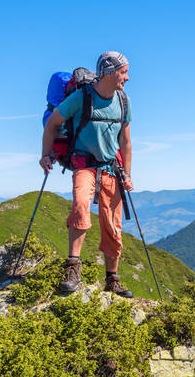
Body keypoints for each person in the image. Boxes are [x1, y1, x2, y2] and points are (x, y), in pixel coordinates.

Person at [40, 51, 134, 297]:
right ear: (109, 72)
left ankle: (112, 279)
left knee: (113, 225)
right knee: (81, 206)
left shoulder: (123, 101)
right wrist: (45, 154)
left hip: (111, 168)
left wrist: (127, 173)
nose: (127, 77)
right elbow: (52, 124)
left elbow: (126, 142)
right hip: (84, 165)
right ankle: (73, 268)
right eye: (124, 72)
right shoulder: (81, 98)